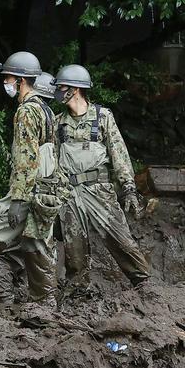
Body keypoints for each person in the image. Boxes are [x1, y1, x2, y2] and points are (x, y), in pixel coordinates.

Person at [0, 51, 69, 305]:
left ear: (20, 81)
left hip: (29, 191)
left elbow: (27, 158)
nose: (6, 84)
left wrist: (19, 199)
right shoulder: (45, 110)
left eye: (8, 78)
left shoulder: (26, 112)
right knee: (37, 247)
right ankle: (45, 306)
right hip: (46, 190)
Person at [53, 64, 151, 286]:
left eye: (62, 87)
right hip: (69, 193)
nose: (58, 91)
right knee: (74, 249)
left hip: (99, 188)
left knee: (121, 239)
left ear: (75, 89)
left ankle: (145, 284)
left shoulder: (102, 116)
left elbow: (119, 152)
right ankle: (78, 293)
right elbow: (52, 159)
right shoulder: (58, 123)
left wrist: (128, 188)